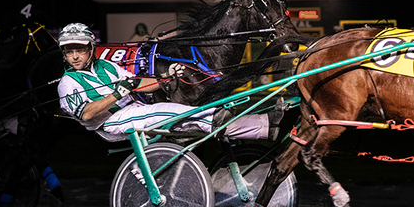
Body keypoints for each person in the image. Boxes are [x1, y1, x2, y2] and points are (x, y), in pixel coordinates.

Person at [56, 23, 282, 143]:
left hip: (133, 110)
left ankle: (263, 126)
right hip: (113, 122)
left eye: (80, 50)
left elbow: (137, 83)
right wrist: (116, 95)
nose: (75, 56)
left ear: (91, 49)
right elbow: (86, 115)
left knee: (190, 118)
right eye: (69, 52)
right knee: (171, 111)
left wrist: (165, 78)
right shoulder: (67, 82)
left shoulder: (106, 66)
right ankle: (218, 119)